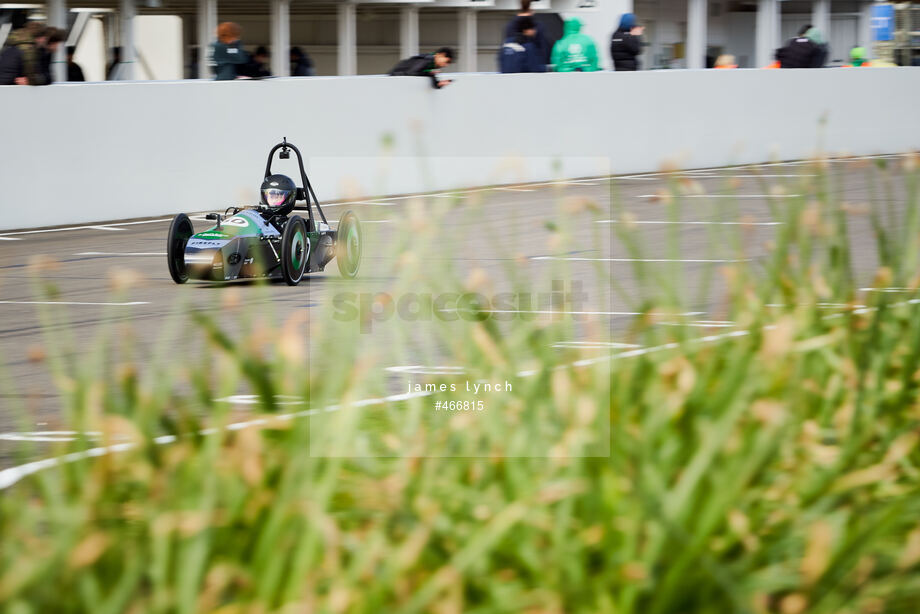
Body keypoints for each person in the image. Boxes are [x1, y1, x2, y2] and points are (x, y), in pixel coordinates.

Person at [502, 0, 549, 65]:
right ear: (531, 8)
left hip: (513, 67)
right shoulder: (537, 26)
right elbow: (543, 51)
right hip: (533, 68)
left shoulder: (510, 26)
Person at [389, 47, 454, 89]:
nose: (446, 65)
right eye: (447, 61)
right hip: (393, 80)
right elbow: (411, 72)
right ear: (441, 55)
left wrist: (440, 84)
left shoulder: (432, 64)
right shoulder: (427, 60)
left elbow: (432, 81)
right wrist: (429, 73)